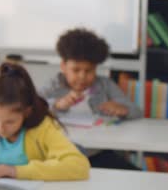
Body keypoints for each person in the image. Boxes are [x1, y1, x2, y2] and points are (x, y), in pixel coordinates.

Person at [0, 62, 90, 181]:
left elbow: (79, 166)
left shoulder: (42, 126)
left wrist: (12, 171)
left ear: (26, 112)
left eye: (10, 122)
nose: (0, 128)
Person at [40, 27, 142, 169]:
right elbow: (32, 110)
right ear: (63, 66)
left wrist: (123, 109)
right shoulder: (53, 86)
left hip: (98, 153)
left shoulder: (105, 85)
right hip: (61, 155)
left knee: (133, 175)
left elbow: (136, 111)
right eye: (76, 70)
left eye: (89, 70)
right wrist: (56, 105)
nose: (82, 76)